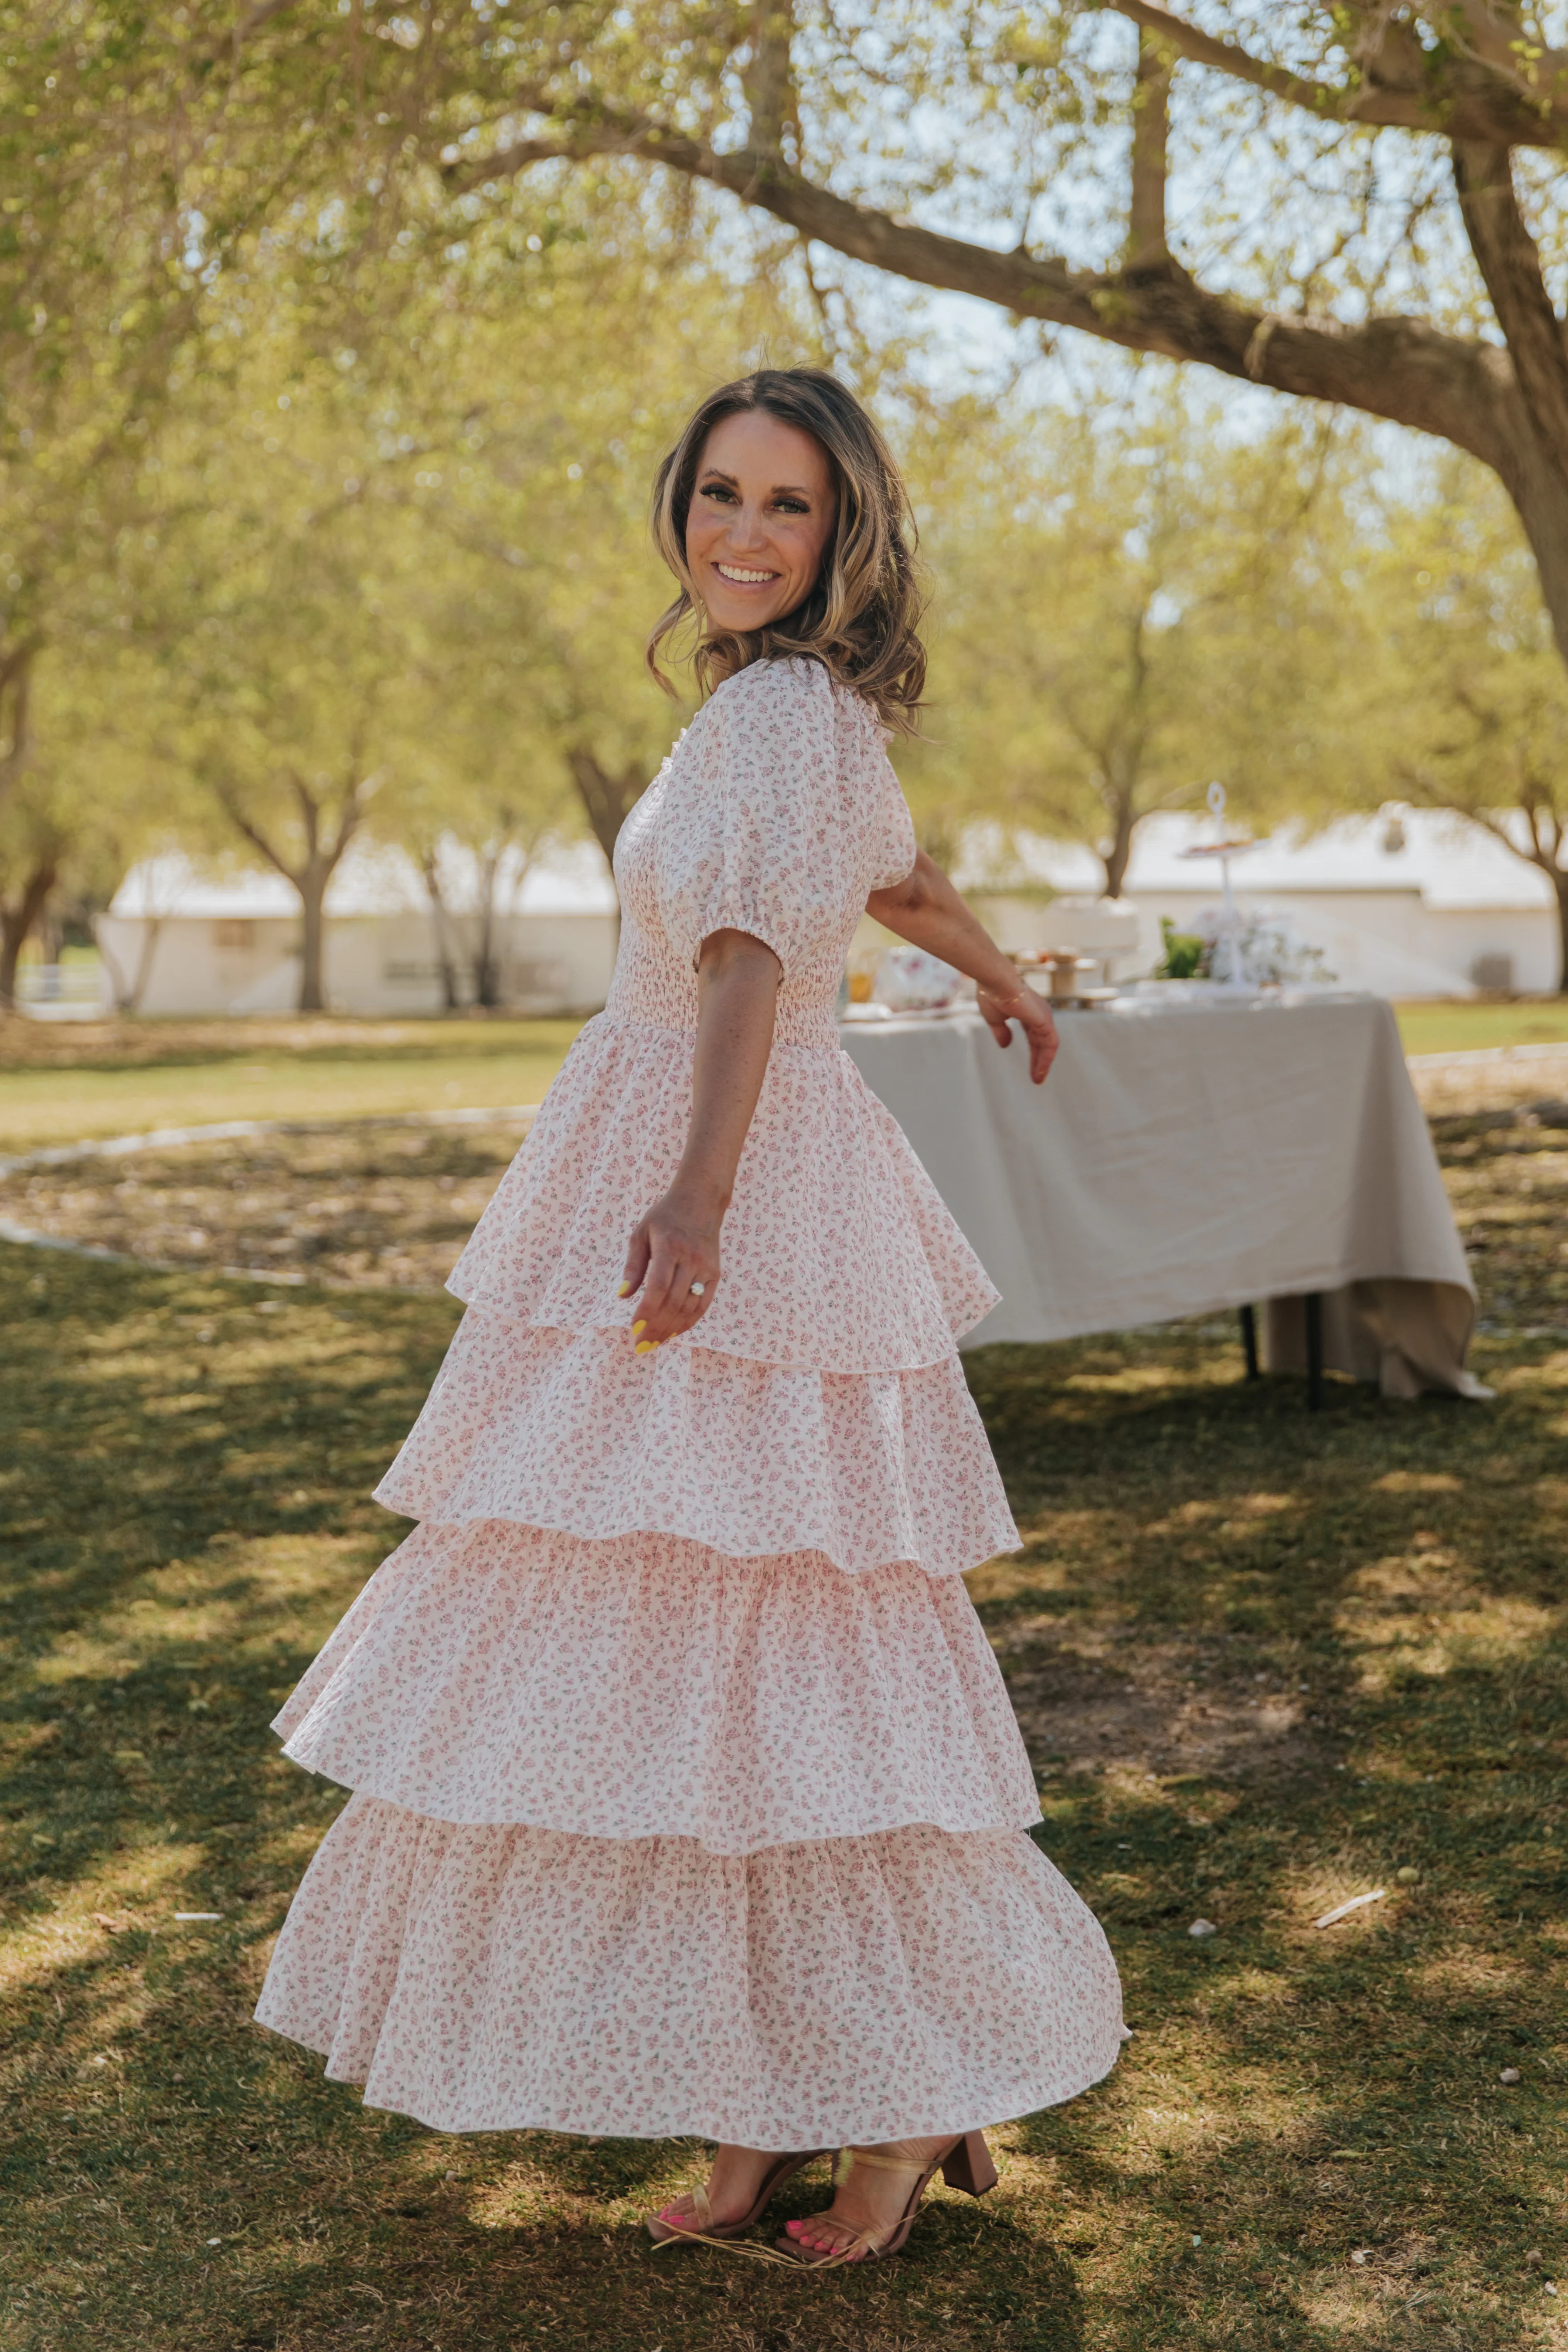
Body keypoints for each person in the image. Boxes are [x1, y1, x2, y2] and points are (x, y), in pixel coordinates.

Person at [254, 366, 1123, 2268]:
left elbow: (749, 951)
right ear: (681, 510)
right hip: (724, 1152)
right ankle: (773, 2093)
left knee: (762, 1627)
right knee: (710, 1632)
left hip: (727, 1165)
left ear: (845, 535)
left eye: (788, 507)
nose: (742, 532)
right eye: (719, 495)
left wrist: (700, 1191)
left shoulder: (781, 711)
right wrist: (999, 975)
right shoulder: (780, 712)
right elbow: (884, 870)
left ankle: (888, 2094)